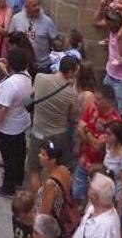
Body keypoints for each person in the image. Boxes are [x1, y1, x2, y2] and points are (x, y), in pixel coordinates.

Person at [28, 55, 78, 191]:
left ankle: (38, 203)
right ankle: (53, 200)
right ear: (71, 72)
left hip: (38, 132)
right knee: (56, 171)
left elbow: (31, 94)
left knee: (34, 171)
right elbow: (72, 115)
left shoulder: (40, 78)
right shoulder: (71, 93)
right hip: (58, 135)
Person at [0, 47, 33, 197]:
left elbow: (2, 108)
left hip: (9, 125)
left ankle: (8, 187)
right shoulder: (26, 76)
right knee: (19, 152)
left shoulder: (11, 84)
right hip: (21, 122)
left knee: (8, 157)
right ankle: (18, 178)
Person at [74, 85, 121, 204]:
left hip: (99, 167)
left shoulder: (114, 122)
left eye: (99, 99)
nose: (95, 101)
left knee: (95, 200)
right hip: (84, 161)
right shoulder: (92, 108)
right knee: (77, 196)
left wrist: (87, 131)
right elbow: (79, 128)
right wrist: (87, 138)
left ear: (109, 101)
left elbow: (98, 146)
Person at [93, 8, 122, 110]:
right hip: (110, 75)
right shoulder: (113, 30)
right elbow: (96, 22)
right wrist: (101, 5)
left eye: (111, 25)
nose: (109, 27)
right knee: (109, 110)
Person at [9, 0, 59, 73]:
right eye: (34, 5)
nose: (38, 7)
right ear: (26, 6)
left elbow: (54, 41)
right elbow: (10, 40)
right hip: (23, 68)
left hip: (43, 67)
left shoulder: (47, 21)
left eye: (39, 4)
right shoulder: (16, 19)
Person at [34, 140, 73, 235]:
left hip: (49, 227)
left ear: (53, 160)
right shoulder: (64, 170)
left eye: (43, 155)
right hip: (59, 219)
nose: (39, 156)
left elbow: (44, 213)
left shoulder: (50, 184)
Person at [73, 172, 121, 238]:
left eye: (90, 187)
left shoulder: (104, 228)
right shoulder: (92, 208)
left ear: (95, 196)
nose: (87, 187)